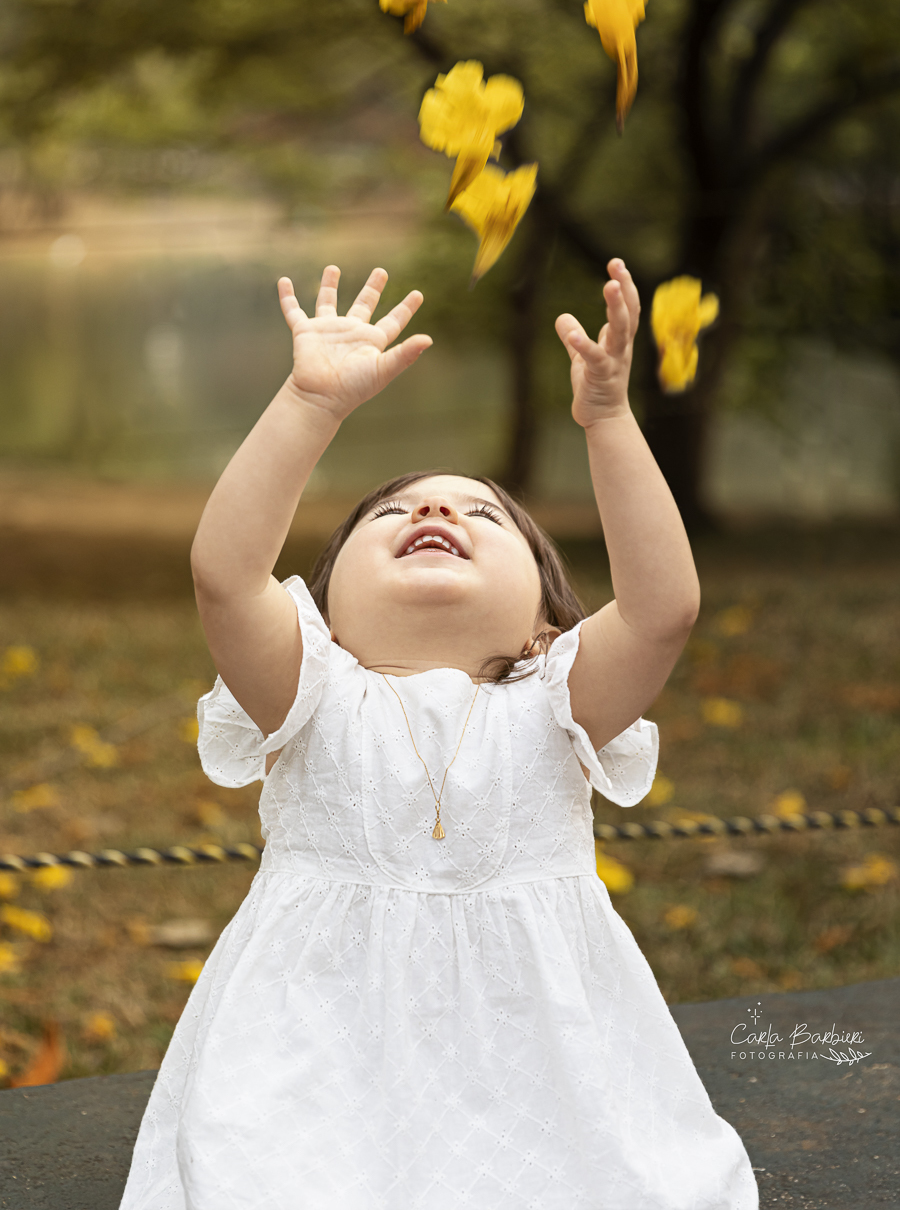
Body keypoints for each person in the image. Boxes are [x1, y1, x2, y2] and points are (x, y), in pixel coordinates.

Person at [119, 260, 759, 1209]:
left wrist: (609, 421)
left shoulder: (559, 698)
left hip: (540, 1076)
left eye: (480, 514)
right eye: (394, 512)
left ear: (547, 620)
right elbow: (224, 572)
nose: (433, 511)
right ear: (324, 614)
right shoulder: (311, 688)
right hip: (314, 1067)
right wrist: (308, 402)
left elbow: (665, 609)